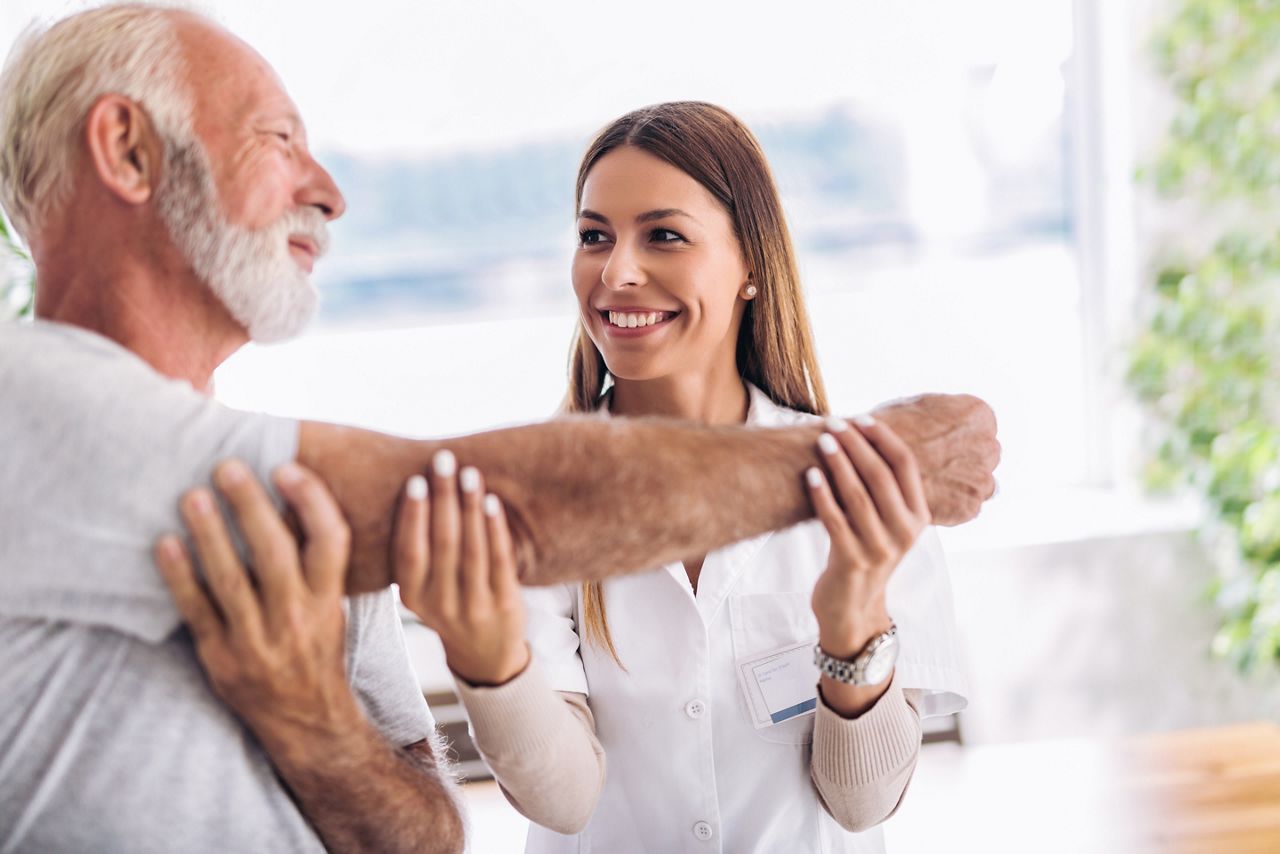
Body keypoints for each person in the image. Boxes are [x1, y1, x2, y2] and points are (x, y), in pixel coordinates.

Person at [0, 4, 998, 851]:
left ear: (751, 264)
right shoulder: (30, 401)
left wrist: (308, 720)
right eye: (276, 138)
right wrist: (873, 462)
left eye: (663, 235)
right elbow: (515, 504)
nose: (329, 190)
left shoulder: (307, 504)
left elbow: (429, 834)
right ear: (128, 149)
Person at [395, 102, 968, 854]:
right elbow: (562, 800)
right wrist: (484, 655)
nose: (617, 272)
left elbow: (862, 805)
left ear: (752, 267)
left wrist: (852, 611)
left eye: (663, 235)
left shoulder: (870, 489)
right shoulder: (531, 494)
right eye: (594, 236)